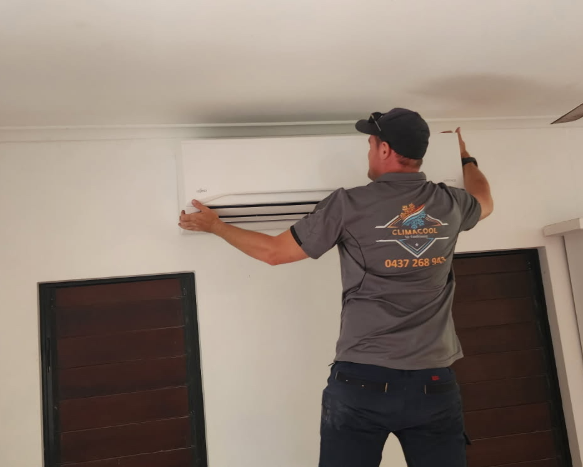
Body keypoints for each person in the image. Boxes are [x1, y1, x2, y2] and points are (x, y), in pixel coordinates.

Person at [178, 108, 493, 467]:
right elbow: (486, 200)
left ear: (385, 149)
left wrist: (216, 226)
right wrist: (466, 157)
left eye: (371, 143)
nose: (369, 152)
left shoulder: (349, 205)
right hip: (434, 384)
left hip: (363, 382)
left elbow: (273, 253)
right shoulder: (450, 203)